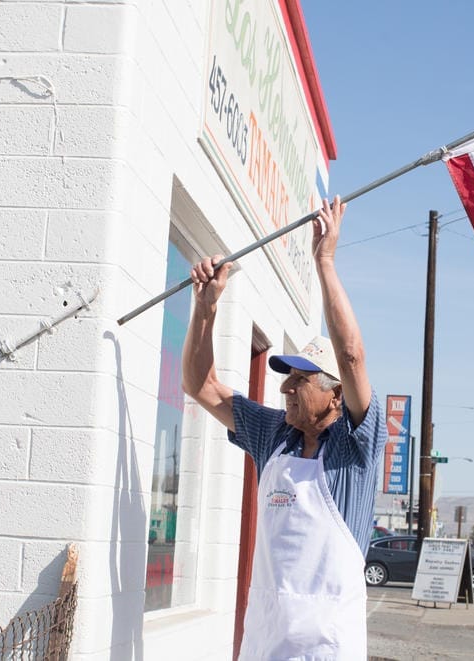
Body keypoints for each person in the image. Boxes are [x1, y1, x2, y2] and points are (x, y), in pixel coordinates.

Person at [181, 195, 387, 659]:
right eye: (286, 378)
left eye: (300, 379)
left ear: (336, 393)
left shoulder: (356, 444)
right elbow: (201, 385)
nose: (285, 389)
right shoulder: (274, 433)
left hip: (327, 650)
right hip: (263, 643)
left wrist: (326, 261)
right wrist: (207, 306)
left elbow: (351, 355)